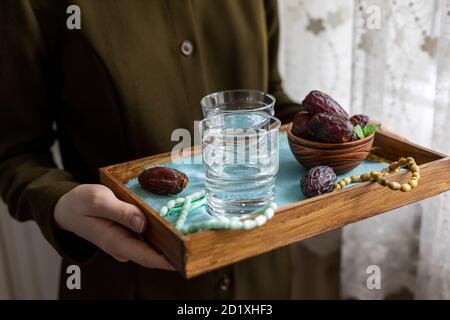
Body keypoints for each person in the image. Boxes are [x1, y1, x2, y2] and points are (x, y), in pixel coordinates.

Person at [0, 0, 301, 299]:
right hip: (127, 278)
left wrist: (325, 129)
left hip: (261, 270)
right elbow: (15, 152)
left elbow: (267, 98)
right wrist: (59, 202)